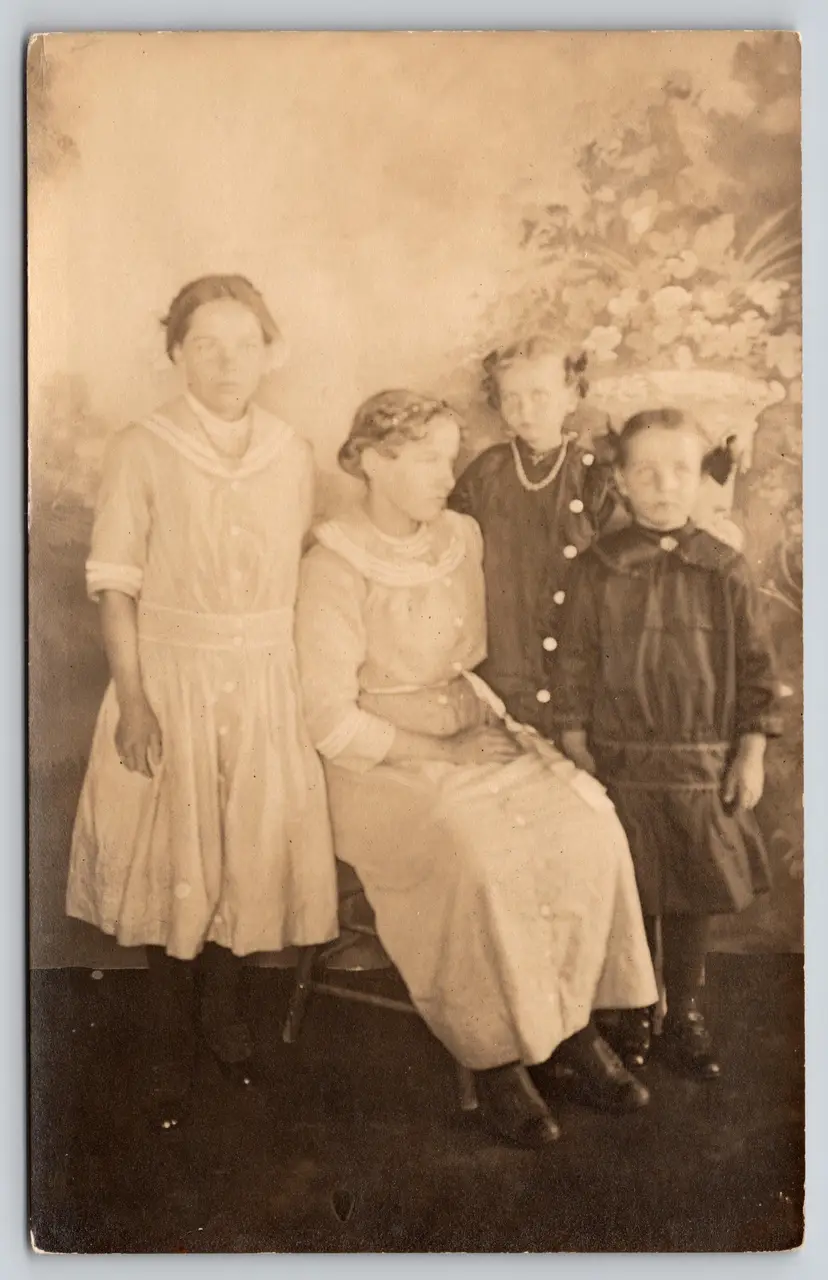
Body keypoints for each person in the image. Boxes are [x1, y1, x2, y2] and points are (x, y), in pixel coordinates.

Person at [294, 389, 658, 1149]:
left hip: (472, 721)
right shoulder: (333, 562)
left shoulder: (461, 535)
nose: (446, 473)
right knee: (478, 854)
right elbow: (326, 719)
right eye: (428, 457)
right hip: (378, 761)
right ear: (372, 460)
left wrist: (497, 731)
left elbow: (477, 658)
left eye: (450, 455)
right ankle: (494, 1057)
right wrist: (437, 751)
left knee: (588, 821)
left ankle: (572, 1027)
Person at [67, 276, 338, 1124]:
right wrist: (136, 701)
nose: (227, 362)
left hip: (263, 678)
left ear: (270, 351)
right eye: (206, 344)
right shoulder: (141, 448)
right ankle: (167, 1035)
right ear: (176, 352)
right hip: (169, 677)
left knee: (243, 850)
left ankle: (224, 1019)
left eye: (244, 344)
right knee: (171, 853)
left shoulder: (292, 451)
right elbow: (117, 588)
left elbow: (304, 578)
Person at [552, 408, 782, 1079]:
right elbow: (573, 661)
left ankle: (682, 1009)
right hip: (620, 759)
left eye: (680, 469)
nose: (663, 484)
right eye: (645, 470)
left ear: (702, 478)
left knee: (690, 891)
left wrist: (752, 749)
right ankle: (632, 1008)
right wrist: (573, 741)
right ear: (619, 480)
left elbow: (757, 668)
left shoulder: (725, 569)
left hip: (702, 761)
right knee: (634, 889)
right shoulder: (598, 569)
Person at [448, 336, 625, 733]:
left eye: (539, 395)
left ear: (571, 397)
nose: (525, 410)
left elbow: (624, 566)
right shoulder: (487, 473)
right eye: (511, 398)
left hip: (580, 661)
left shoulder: (593, 475)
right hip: (505, 655)